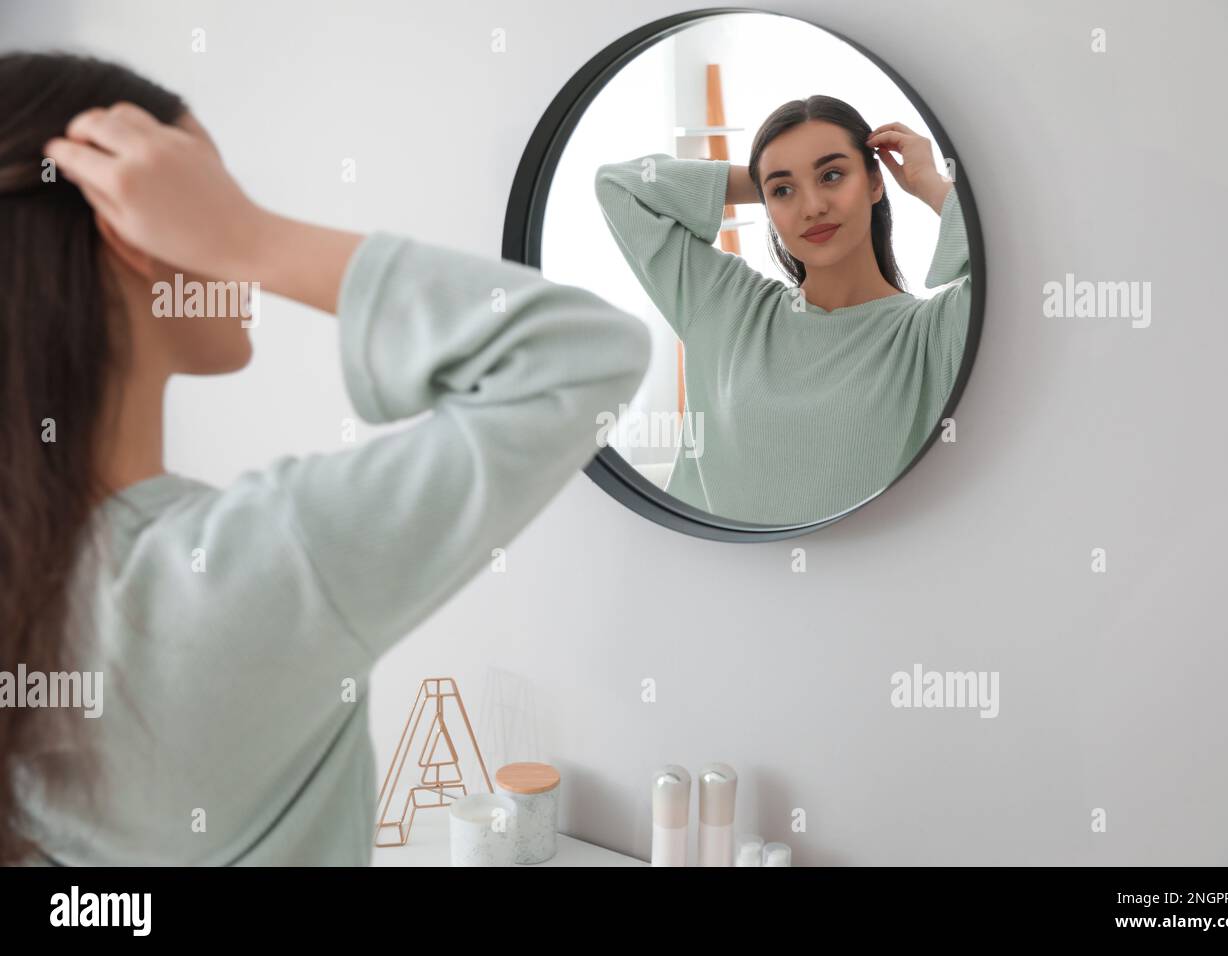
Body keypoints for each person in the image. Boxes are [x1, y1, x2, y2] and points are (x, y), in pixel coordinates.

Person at [0, 51, 651, 865]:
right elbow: (583, 355)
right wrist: (249, 238)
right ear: (130, 231)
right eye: (199, 189)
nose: (224, 210)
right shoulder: (237, 570)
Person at [594, 95, 971, 526]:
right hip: (706, 581)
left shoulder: (933, 334)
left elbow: (1016, 270)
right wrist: (759, 181)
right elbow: (619, 186)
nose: (812, 207)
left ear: (875, 182)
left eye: (831, 175)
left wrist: (930, 184)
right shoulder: (726, 305)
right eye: (784, 190)